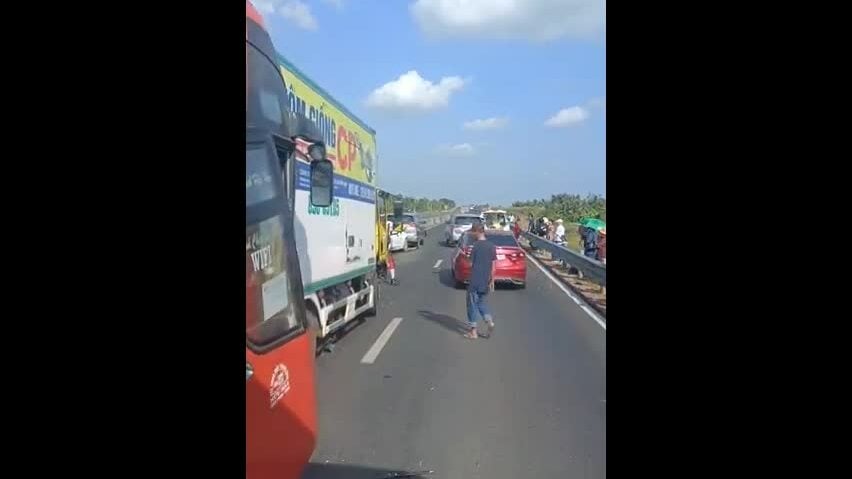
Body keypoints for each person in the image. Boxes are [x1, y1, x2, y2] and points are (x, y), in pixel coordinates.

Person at [463, 224, 496, 340]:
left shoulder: (475, 246)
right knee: (481, 303)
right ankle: (489, 321)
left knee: (472, 305)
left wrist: (466, 257)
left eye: (473, 232)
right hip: (485, 280)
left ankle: (473, 332)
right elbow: (493, 265)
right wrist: (492, 279)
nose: (472, 234)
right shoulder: (492, 246)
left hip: (475, 279)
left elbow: (470, 263)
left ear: (477, 232)